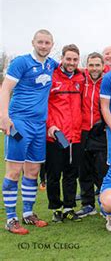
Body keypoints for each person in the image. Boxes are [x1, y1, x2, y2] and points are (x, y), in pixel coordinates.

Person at [1, 29, 58, 234]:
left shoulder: (52, 64)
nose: (43, 46)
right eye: (40, 42)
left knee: (33, 171)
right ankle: (10, 218)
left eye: (47, 43)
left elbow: (70, 71)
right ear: (33, 42)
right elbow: (5, 88)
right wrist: (4, 117)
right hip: (20, 123)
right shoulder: (21, 62)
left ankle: (27, 214)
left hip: (39, 125)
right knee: (14, 171)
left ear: (52, 45)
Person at [46, 44, 85, 223]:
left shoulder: (81, 78)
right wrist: (50, 126)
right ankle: (55, 208)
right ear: (62, 58)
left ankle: (69, 207)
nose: (71, 62)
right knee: (54, 174)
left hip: (75, 135)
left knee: (71, 173)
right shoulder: (51, 77)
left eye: (75, 59)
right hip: (56, 134)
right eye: (68, 59)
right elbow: (42, 104)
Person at [77, 52, 109, 218]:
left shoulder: (107, 81)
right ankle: (87, 204)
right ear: (87, 66)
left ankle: (106, 203)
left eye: (97, 65)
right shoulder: (81, 81)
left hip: (100, 131)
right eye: (91, 65)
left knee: (101, 169)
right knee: (84, 169)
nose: (94, 68)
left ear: (103, 66)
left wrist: (106, 125)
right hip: (82, 130)